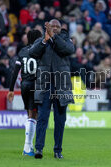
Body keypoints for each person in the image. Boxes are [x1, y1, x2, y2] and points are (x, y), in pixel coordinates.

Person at [32, 19, 75, 159]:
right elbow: (32, 52)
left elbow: (69, 50)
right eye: (52, 26)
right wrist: (44, 41)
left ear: (61, 28)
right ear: (48, 26)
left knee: (60, 120)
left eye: (57, 26)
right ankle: (38, 149)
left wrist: (54, 37)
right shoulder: (41, 40)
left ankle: (58, 150)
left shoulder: (66, 39)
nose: (55, 28)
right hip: (45, 85)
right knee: (42, 118)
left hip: (61, 85)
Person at [7, 29, 42, 156]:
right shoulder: (39, 51)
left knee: (30, 114)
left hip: (24, 86)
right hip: (35, 85)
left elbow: (15, 71)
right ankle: (27, 147)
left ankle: (29, 145)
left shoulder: (22, 51)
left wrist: (11, 89)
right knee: (33, 116)